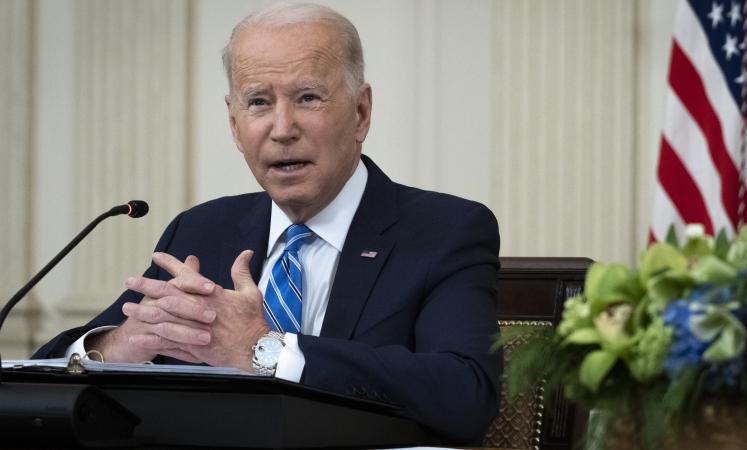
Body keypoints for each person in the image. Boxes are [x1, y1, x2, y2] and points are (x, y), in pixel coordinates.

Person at [34, 2, 501, 445]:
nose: (282, 128)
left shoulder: (445, 231)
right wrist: (115, 347)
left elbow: (465, 396)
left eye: (308, 97)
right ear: (235, 125)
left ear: (360, 112)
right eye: (258, 102)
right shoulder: (201, 231)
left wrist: (266, 350)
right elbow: (37, 379)